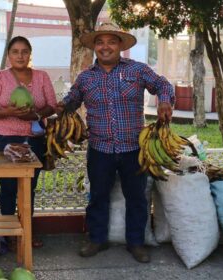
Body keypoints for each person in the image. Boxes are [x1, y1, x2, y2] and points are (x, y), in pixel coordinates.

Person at [61, 23, 174, 263]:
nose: (105, 47)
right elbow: (71, 100)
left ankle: (136, 243)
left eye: (111, 42)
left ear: (120, 45)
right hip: (100, 148)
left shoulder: (137, 70)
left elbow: (163, 84)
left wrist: (164, 100)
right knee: (98, 196)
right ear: (94, 47)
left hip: (134, 147)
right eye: (100, 42)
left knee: (136, 197)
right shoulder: (86, 77)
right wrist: (57, 107)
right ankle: (97, 239)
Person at [0, 36, 57, 248]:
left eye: (24, 51)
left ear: (30, 54)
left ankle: (26, 231)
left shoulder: (42, 76)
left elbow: (51, 105)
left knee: (28, 187)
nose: (20, 55)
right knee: (7, 187)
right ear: (8, 55)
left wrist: (34, 115)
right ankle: (8, 234)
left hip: (35, 139)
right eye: (15, 51)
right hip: (6, 138)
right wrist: (8, 112)